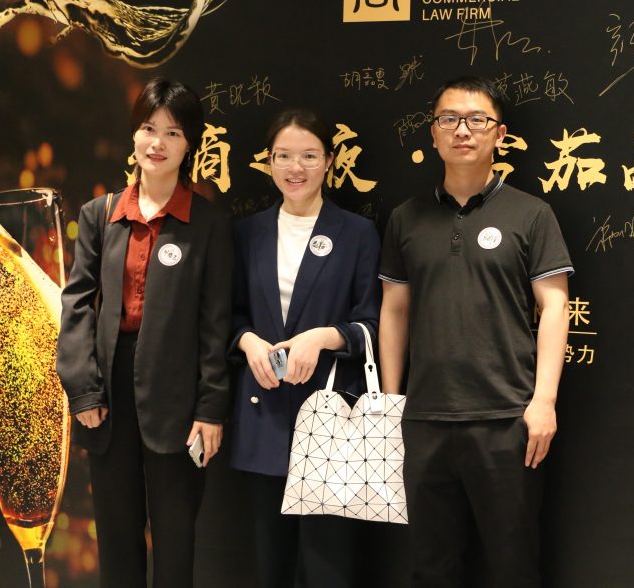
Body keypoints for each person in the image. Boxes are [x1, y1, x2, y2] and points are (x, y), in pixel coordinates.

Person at [378, 75, 573, 588]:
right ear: (433, 133)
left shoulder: (532, 214)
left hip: (507, 420)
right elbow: (394, 310)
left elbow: (555, 307)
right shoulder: (406, 218)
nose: (462, 131)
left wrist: (544, 401)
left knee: (511, 564)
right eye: (449, 120)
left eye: (477, 120)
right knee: (430, 567)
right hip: (424, 419)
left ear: (499, 134)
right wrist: (392, 401)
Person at [57, 77, 233, 588]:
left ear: (190, 144)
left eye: (173, 133)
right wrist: (83, 389)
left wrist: (210, 408)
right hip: (108, 394)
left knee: (176, 538)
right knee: (116, 536)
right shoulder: (100, 214)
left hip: (178, 395)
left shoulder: (209, 224)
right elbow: (77, 304)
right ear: (134, 135)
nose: (158, 143)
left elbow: (216, 323)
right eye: (149, 129)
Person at [227, 108, 381, 588]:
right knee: (269, 564)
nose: (296, 168)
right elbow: (226, 315)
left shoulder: (356, 232)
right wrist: (248, 341)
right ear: (269, 162)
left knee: (328, 565)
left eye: (310, 156)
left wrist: (322, 336)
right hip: (264, 413)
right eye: (284, 156)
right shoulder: (246, 233)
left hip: (331, 421)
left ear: (330, 161)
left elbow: (373, 323)